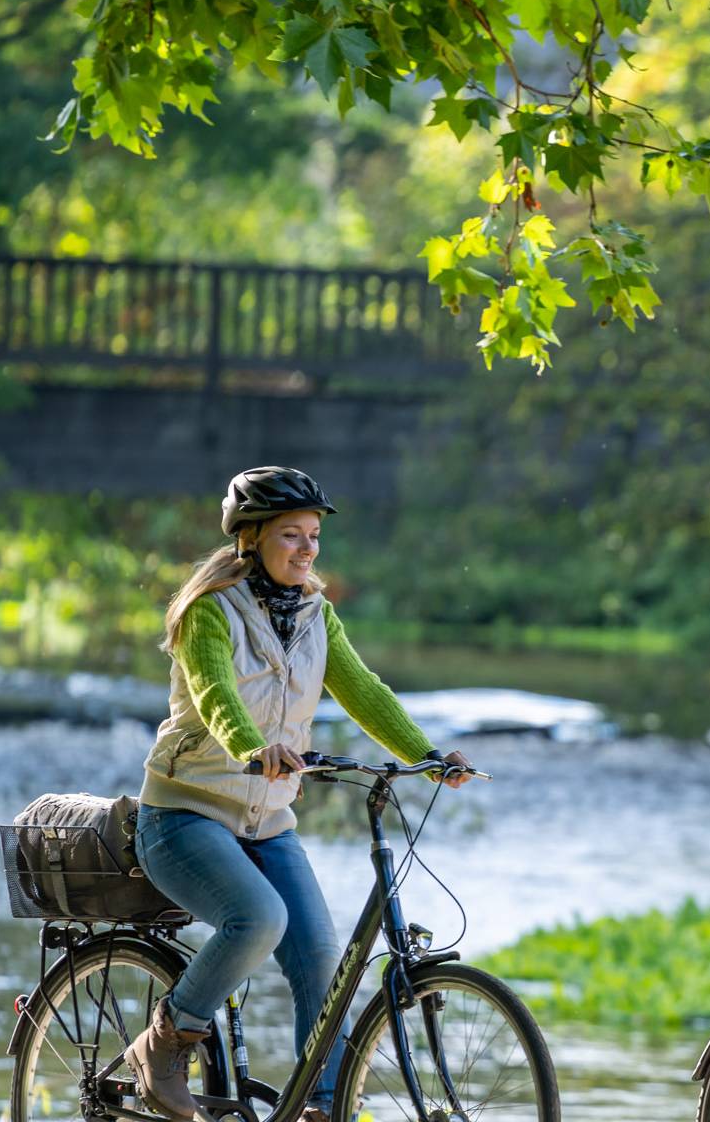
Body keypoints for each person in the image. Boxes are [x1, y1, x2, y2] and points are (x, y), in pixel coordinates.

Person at [121, 466, 474, 1121]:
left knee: (322, 957)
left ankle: (322, 1105)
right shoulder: (209, 610)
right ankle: (164, 1043)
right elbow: (214, 693)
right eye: (292, 535)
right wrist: (253, 745)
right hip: (183, 815)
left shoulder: (317, 615)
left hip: (266, 822)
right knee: (259, 919)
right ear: (251, 539)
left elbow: (364, 691)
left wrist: (424, 756)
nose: (308, 548)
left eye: (314, 535)